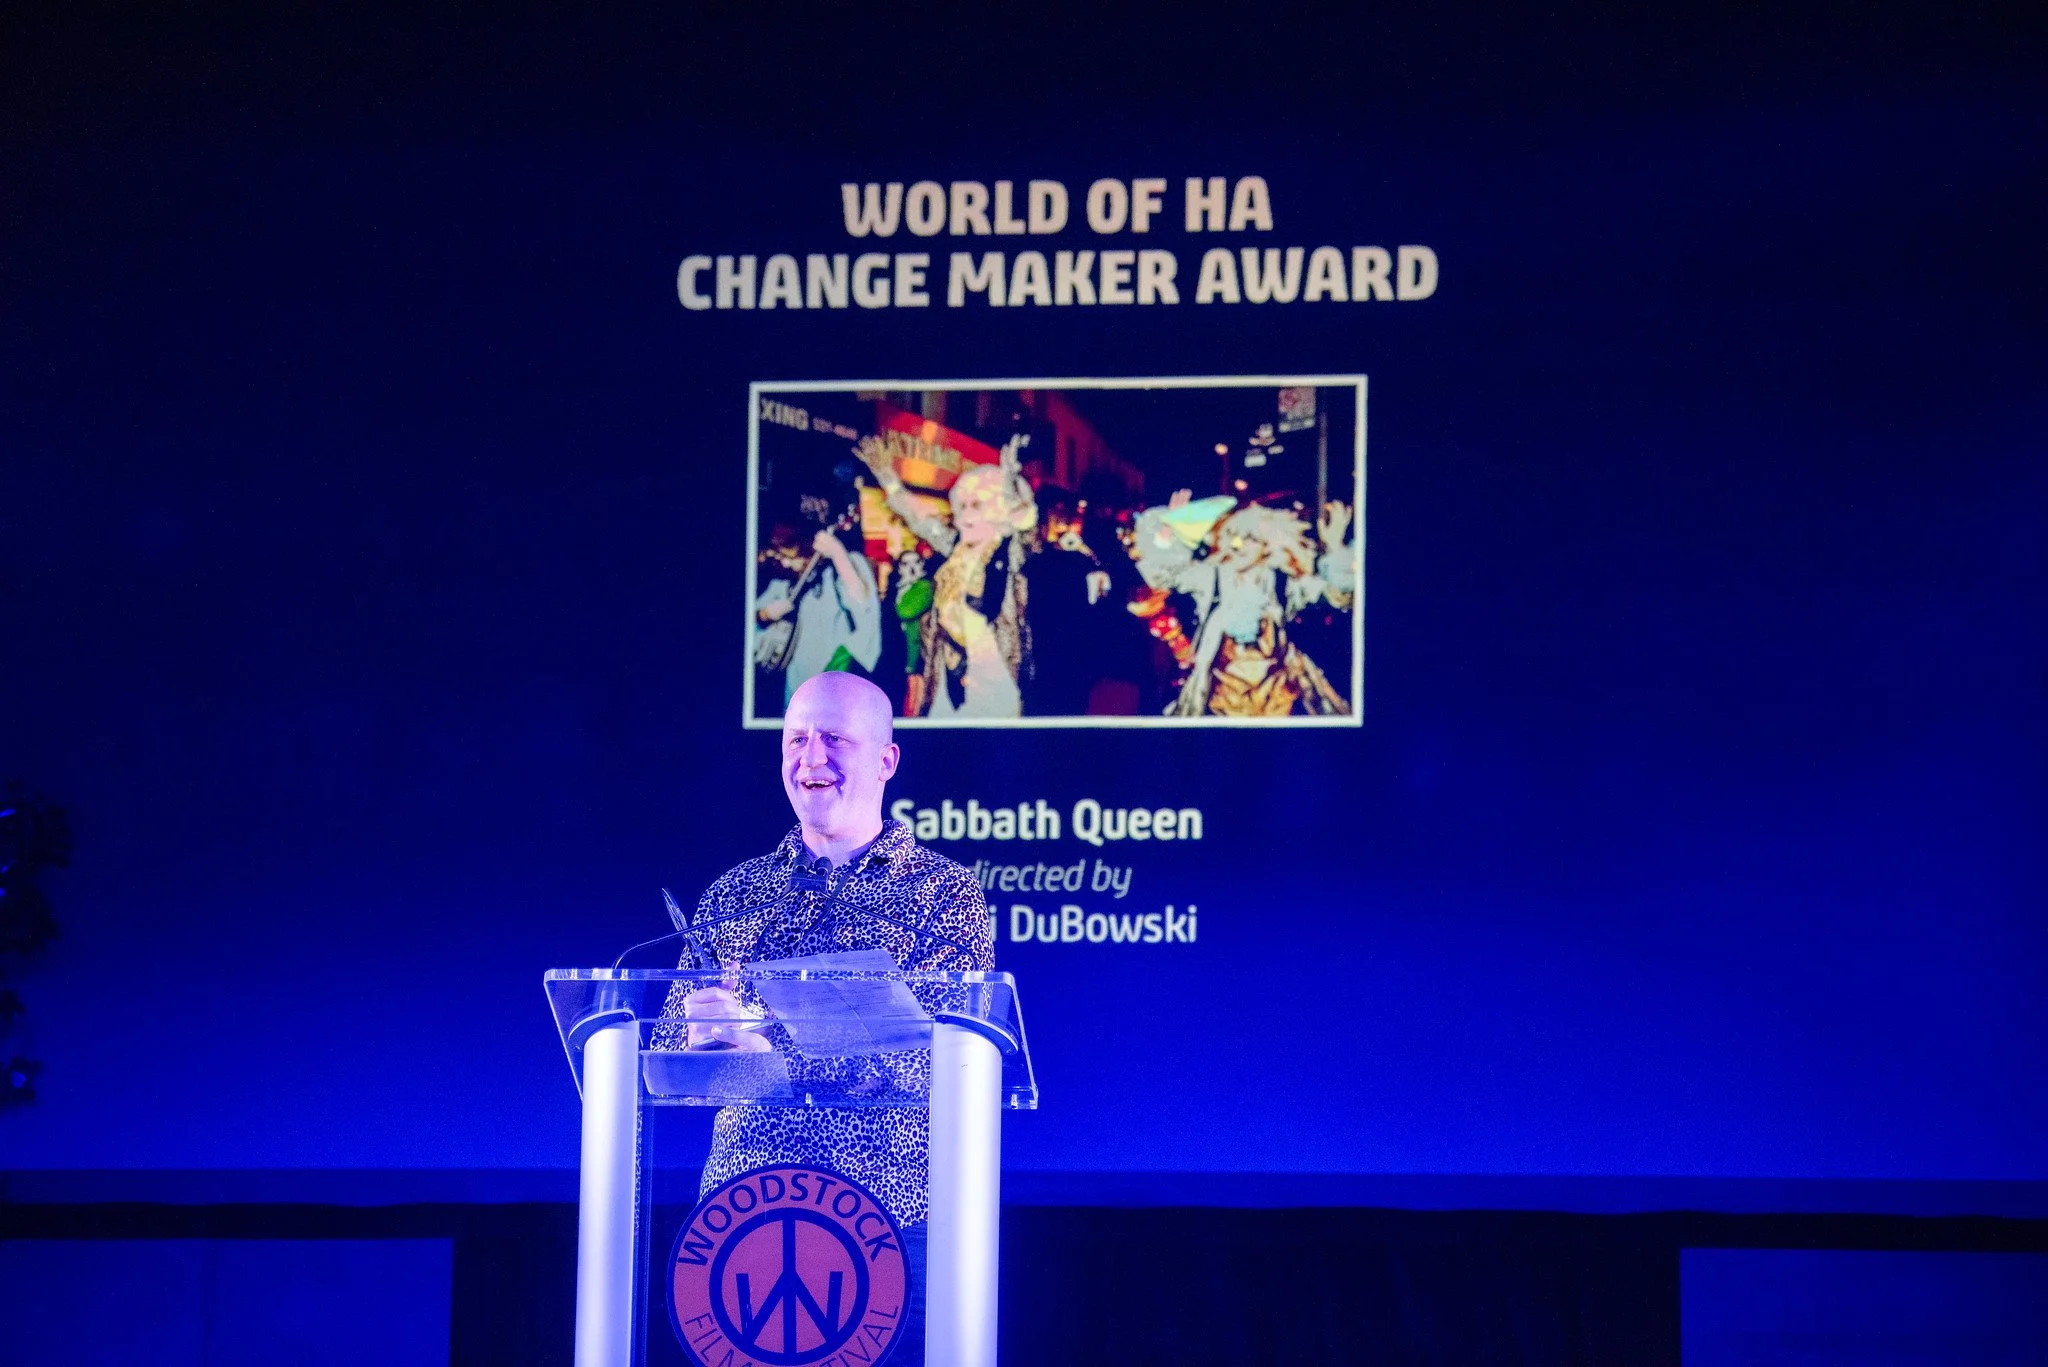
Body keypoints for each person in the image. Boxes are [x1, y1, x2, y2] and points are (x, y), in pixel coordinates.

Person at [650, 672, 993, 1366]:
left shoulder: (944, 893)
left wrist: (766, 1049)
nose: (812, 759)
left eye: (834, 738)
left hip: (887, 1222)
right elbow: (665, 1061)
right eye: (797, 739)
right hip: (742, 1217)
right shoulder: (737, 889)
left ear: (885, 760)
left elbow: (945, 1065)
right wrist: (700, 1035)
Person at [856, 433, 1037, 719]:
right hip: (946, 670)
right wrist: (887, 476)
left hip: (994, 674)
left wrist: (1010, 482)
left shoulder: (1009, 554)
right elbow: (919, 518)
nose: (965, 514)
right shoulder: (954, 547)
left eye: (976, 506)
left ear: (996, 511)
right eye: (962, 506)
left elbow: (1024, 527)